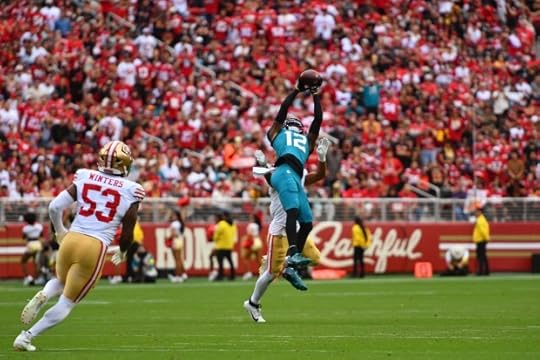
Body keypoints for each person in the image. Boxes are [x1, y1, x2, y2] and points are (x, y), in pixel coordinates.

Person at [13, 140, 145, 352]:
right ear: (125, 165)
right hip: (94, 245)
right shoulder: (132, 189)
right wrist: (123, 250)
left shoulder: (85, 176)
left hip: (71, 239)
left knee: (61, 281)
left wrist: (59, 231)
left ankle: (45, 293)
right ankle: (26, 336)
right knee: (67, 302)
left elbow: (54, 206)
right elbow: (128, 230)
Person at [243, 138, 329, 323]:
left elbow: (319, 176)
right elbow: (268, 177)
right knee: (271, 273)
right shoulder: (276, 175)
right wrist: (263, 164)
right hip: (279, 232)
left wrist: (322, 157)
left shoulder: (297, 173)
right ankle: (252, 302)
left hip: (296, 232)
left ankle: (288, 266)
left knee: (315, 258)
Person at [266, 71, 323, 276]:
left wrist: (298, 91)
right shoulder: (306, 141)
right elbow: (318, 118)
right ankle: (292, 253)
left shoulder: (276, 133)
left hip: (294, 175)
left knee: (307, 222)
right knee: (292, 211)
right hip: (285, 171)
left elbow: (282, 110)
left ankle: (293, 259)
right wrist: (314, 94)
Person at [20, 212, 45, 286]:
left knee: (23, 261)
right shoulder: (39, 226)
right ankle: (36, 278)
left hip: (31, 244)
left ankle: (28, 277)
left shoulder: (25, 228)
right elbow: (41, 235)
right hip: (38, 244)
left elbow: (23, 237)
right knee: (36, 263)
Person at [212, 211, 237, 281]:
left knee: (220, 262)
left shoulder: (222, 223)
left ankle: (220, 276)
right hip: (229, 245)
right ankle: (232, 275)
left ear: (224, 216)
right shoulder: (232, 224)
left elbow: (216, 235)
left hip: (221, 246)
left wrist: (214, 238)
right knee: (230, 261)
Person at [166, 209, 188, 283]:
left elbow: (174, 234)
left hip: (175, 241)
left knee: (177, 260)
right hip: (179, 241)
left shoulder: (174, 223)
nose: (172, 216)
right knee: (179, 259)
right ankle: (182, 274)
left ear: (177, 216)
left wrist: (168, 238)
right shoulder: (179, 223)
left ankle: (178, 276)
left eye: (173, 215)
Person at [240, 213, 263, 280]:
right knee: (258, 259)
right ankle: (262, 273)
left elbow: (249, 234)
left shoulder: (251, 225)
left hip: (252, 241)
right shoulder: (257, 225)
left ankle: (248, 272)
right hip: (258, 241)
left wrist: (246, 241)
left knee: (245, 257)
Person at [473, 207, 490, 276]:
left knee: (480, 257)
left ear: (480, 212)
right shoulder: (482, 219)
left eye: (476, 212)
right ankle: (486, 271)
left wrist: (486, 238)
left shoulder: (480, 220)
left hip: (481, 240)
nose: (475, 213)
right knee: (483, 256)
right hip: (482, 240)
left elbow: (483, 231)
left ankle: (481, 271)